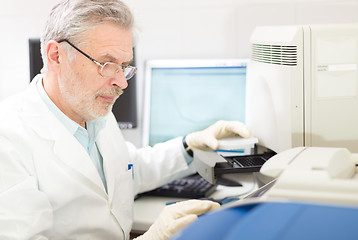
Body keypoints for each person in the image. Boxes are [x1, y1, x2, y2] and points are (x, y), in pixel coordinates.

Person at [0, 0, 251, 239]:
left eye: (124, 67)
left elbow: (127, 170)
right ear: (56, 56)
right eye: (107, 64)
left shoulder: (94, 112)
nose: (121, 83)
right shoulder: (9, 140)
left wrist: (188, 145)